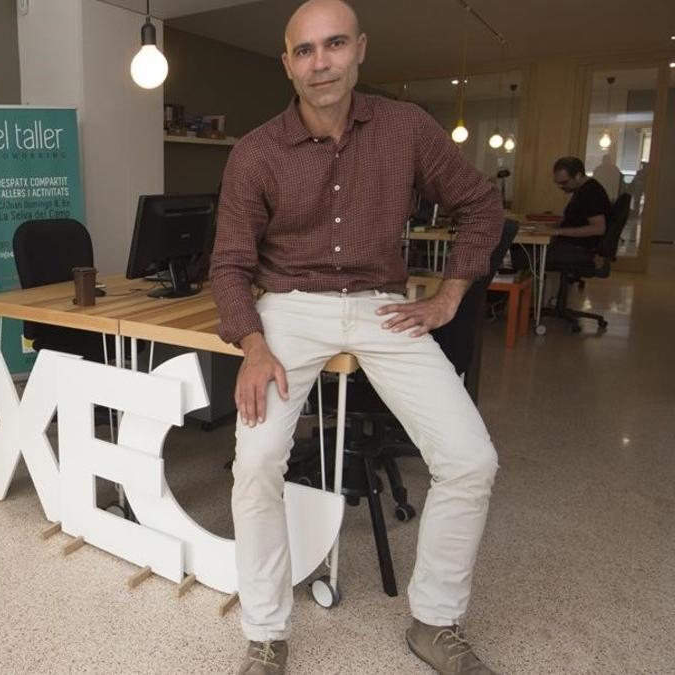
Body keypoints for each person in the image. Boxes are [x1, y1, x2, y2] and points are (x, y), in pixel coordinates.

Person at [210, 1, 503, 673]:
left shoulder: (406, 127)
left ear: (360, 48)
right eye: (305, 50)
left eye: (334, 44)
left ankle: (435, 620)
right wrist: (253, 343)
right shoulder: (256, 152)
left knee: (471, 458)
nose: (321, 63)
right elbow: (229, 263)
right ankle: (264, 631)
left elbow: (481, 204)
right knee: (255, 461)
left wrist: (450, 294)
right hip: (287, 308)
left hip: (381, 306)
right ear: (287, 62)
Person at [516, 157, 612, 271]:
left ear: (578, 176)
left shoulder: (591, 193)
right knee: (521, 248)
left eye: (564, 182)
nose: (560, 186)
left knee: (515, 254)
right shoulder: (582, 189)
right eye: (558, 183)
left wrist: (556, 231)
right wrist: (552, 225)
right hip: (571, 245)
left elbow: (598, 228)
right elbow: (575, 219)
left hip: (579, 249)